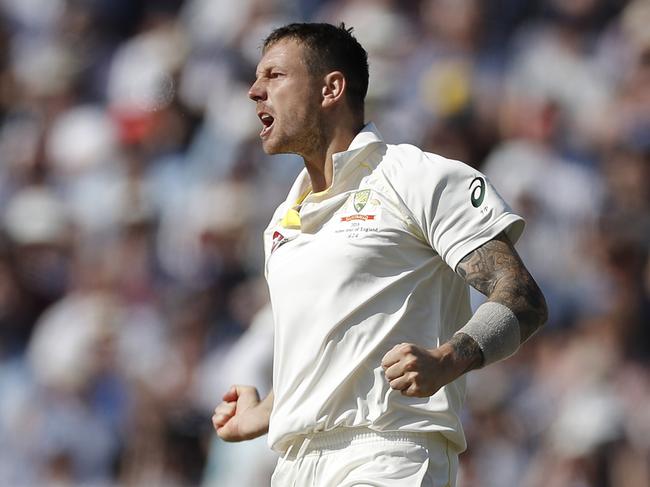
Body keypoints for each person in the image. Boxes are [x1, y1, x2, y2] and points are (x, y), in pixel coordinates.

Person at [212, 22, 547, 486]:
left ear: (331, 88)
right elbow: (334, 357)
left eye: (275, 75)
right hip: (294, 467)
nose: (254, 91)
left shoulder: (417, 178)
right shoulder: (283, 220)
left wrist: (448, 359)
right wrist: (266, 411)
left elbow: (522, 297)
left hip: (391, 455)